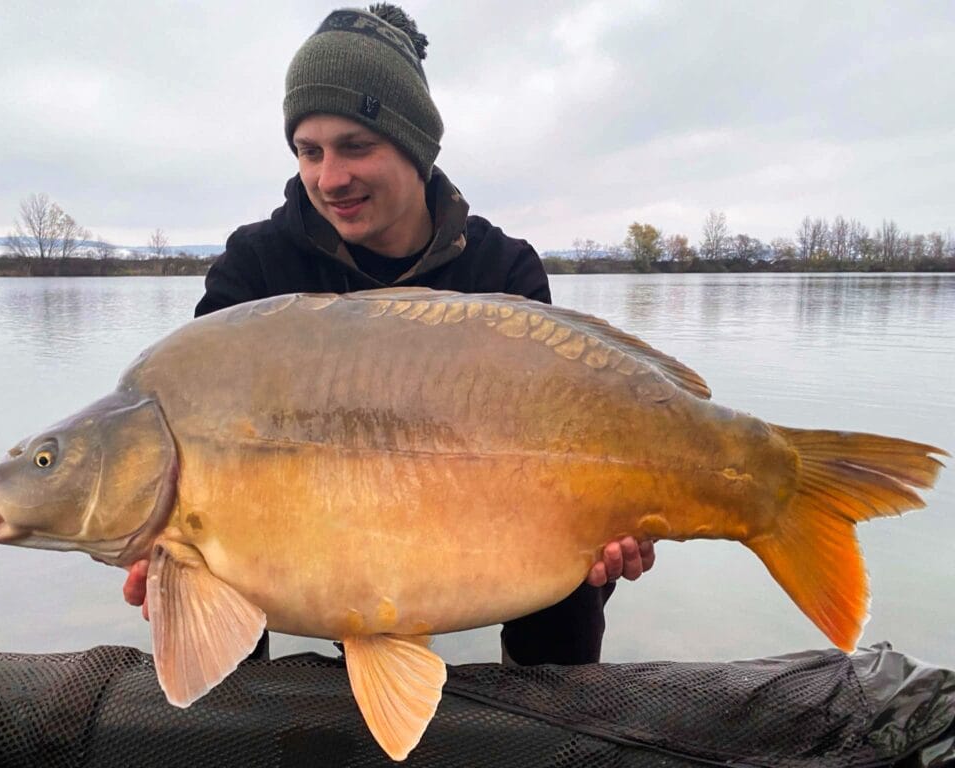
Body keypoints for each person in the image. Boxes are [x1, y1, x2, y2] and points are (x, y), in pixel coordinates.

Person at [122, 3, 655, 666]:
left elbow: (559, 436)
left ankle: (549, 721)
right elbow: (198, 431)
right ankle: (248, 729)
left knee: (576, 560)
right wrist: (162, 550)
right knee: (212, 549)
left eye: (355, 147)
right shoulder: (257, 267)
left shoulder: (500, 268)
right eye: (308, 151)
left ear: (413, 146)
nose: (329, 178)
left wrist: (615, 526)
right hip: (304, 526)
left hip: (486, 511)